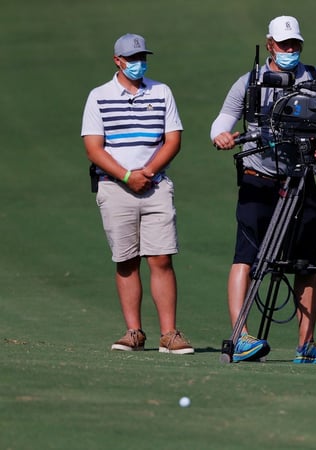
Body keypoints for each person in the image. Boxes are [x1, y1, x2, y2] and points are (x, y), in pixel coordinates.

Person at [211, 15, 316, 363]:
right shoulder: (249, 82)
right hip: (260, 179)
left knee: (306, 264)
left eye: (295, 45)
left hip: (302, 180)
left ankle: (306, 345)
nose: (290, 51)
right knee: (246, 257)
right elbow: (222, 121)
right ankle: (240, 337)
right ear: (269, 44)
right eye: (284, 45)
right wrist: (221, 136)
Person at [81, 33, 193, 355]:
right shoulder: (99, 96)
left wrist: (148, 173)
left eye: (142, 58)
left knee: (161, 258)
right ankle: (134, 332)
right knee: (126, 260)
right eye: (132, 59)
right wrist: (128, 176)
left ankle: (169, 334)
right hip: (115, 186)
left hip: (155, 186)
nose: (138, 64)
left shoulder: (161, 91)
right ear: (117, 61)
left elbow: (173, 140)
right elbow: (93, 147)